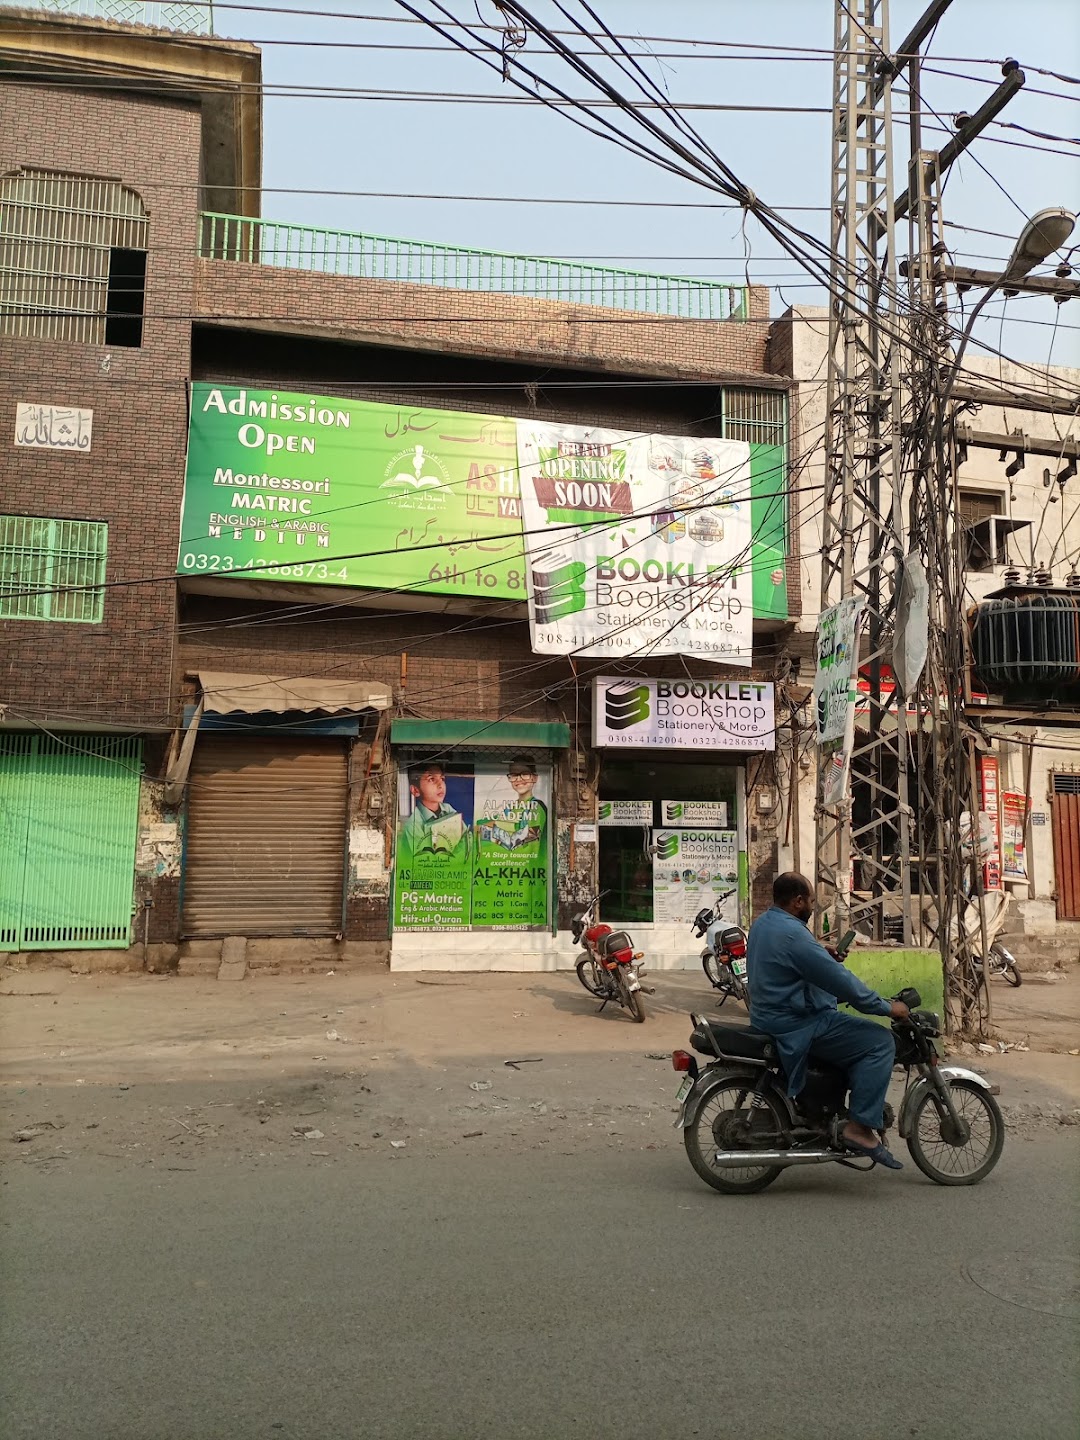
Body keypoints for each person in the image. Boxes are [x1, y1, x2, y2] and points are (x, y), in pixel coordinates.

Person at [747, 871, 910, 1170]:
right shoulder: (793, 933)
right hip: (797, 1023)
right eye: (810, 900)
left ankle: (833, 1108)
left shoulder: (765, 923)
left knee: (851, 1033)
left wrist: (821, 953)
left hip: (770, 1015)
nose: (811, 906)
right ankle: (859, 1128)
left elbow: (791, 959)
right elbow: (843, 983)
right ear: (797, 901)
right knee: (879, 1041)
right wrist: (886, 1008)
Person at [476, 754, 546, 851]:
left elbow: (521, 843)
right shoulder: (509, 808)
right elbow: (480, 827)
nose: (519, 779)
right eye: (514, 775)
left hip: (528, 864)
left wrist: (494, 830)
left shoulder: (537, 807)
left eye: (524, 774)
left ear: (535, 778)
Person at [400, 762, 465, 856]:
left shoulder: (448, 809)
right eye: (431, 779)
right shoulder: (413, 825)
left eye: (442, 779)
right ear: (415, 790)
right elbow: (423, 858)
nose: (440, 784)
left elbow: (467, 838)